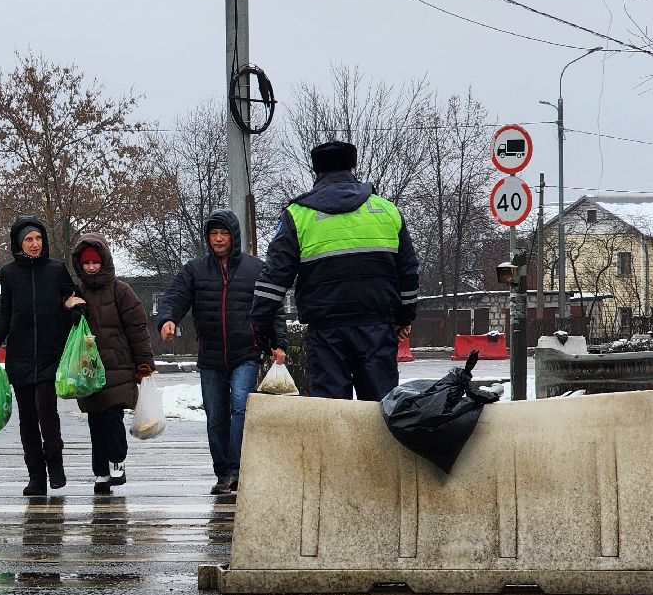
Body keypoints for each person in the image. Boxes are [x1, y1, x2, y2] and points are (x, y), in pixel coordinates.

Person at [250, 140, 420, 400]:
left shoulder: (298, 215)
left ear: (316, 172)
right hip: (376, 327)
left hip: (326, 332)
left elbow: (274, 278)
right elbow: (408, 271)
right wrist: (404, 317)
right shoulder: (386, 210)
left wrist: (260, 325)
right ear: (353, 167)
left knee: (331, 414)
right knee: (380, 411)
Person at [154, 209, 288, 497]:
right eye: (213, 234)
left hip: (246, 353)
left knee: (240, 407)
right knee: (215, 415)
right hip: (212, 356)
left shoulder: (255, 268)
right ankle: (223, 474)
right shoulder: (195, 270)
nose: (218, 239)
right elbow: (175, 296)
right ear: (207, 238)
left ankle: (239, 470)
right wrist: (168, 318)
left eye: (223, 233)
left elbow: (272, 307)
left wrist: (279, 343)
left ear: (233, 236)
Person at [0, 216, 78, 497]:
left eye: (38, 238)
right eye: (29, 239)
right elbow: (6, 313)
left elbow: (72, 298)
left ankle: (56, 465)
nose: (35, 244)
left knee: (46, 410)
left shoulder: (57, 269)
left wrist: (76, 310)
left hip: (51, 353)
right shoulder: (9, 274)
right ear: (18, 243)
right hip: (21, 356)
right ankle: (36, 476)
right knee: (27, 420)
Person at [67, 233, 155, 496]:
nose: (91, 267)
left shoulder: (121, 291)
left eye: (95, 262)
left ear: (104, 261)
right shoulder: (76, 294)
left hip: (118, 366)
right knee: (95, 422)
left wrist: (144, 364)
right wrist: (70, 310)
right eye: (86, 263)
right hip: (88, 371)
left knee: (112, 416)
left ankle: (117, 459)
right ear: (80, 265)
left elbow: (137, 329)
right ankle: (100, 473)